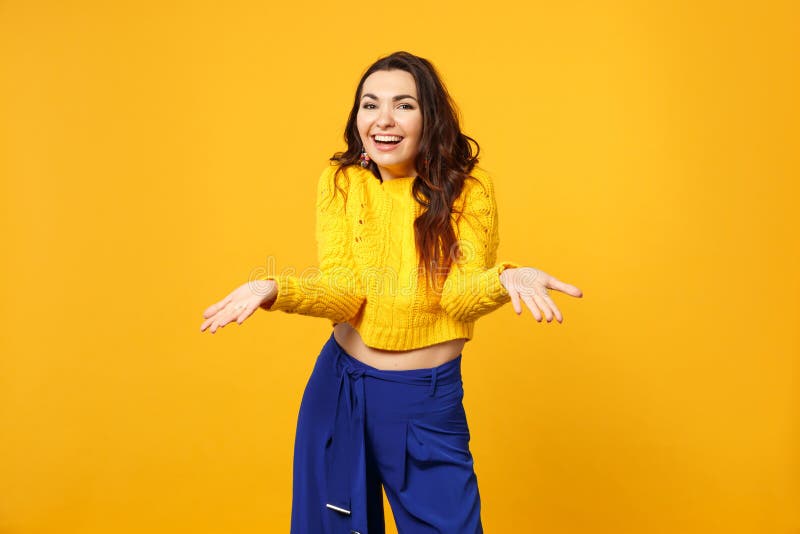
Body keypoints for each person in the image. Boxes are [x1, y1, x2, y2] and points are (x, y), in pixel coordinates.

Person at [200, 51, 583, 534]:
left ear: (431, 118)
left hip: (424, 403)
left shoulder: (468, 188)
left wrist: (505, 278)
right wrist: (276, 288)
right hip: (339, 388)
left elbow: (458, 297)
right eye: (369, 105)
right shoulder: (342, 182)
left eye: (404, 105)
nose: (383, 120)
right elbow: (344, 293)